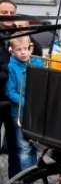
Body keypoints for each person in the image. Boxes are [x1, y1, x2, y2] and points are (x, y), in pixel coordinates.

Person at [5, 34, 43, 170]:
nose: (23, 52)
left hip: (37, 113)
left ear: (31, 48)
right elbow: (10, 91)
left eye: (25, 48)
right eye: (19, 49)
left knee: (38, 148)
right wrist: (26, 102)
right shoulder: (11, 67)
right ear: (12, 51)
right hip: (20, 113)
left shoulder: (38, 63)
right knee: (24, 148)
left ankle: (37, 178)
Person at [0, 0, 22, 177]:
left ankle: (15, 183)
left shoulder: (22, 35)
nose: (7, 16)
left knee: (16, 145)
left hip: (15, 101)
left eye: (10, 13)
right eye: (3, 12)